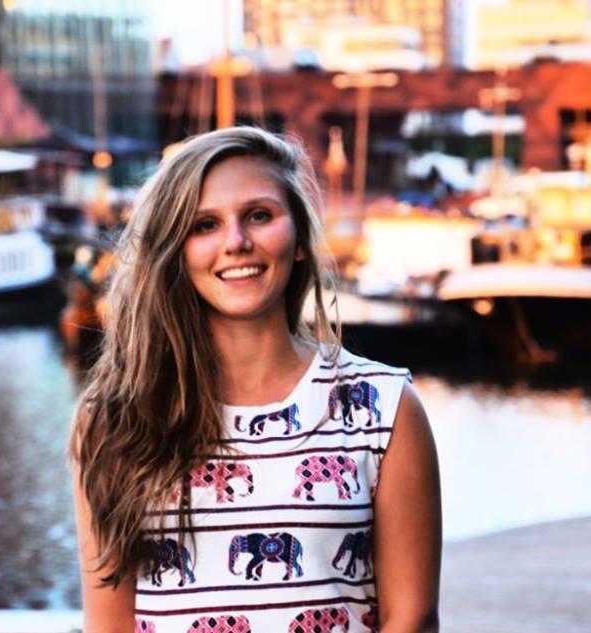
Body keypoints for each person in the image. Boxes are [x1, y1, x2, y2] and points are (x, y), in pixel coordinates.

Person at [70, 126, 442, 633]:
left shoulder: (387, 408)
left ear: (300, 239)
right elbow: (108, 626)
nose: (236, 243)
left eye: (259, 216)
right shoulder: (113, 421)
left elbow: (412, 620)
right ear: (175, 251)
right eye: (204, 225)